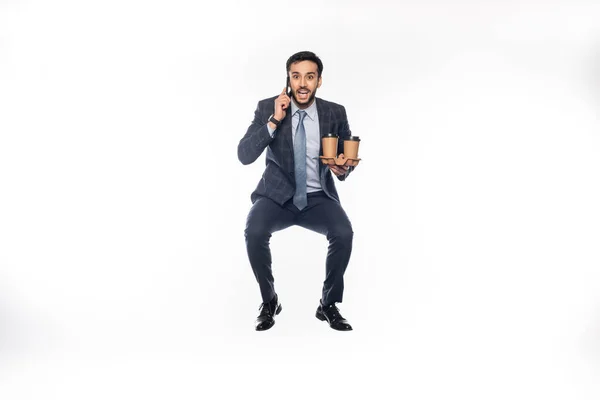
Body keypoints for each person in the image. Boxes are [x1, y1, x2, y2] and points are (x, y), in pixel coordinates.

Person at [238, 51, 358, 331]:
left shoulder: (335, 112)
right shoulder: (268, 106)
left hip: (318, 197)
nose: (302, 83)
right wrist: (273, 120)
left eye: (309, 76)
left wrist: (344, 169)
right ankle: (269, 301)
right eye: (296, 76)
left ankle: (327, 304)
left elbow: (344, 157)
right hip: (276, 196)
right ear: (288, 79)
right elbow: (244, 155)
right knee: (254, 232)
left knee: (344, 233)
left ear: (319, 81)